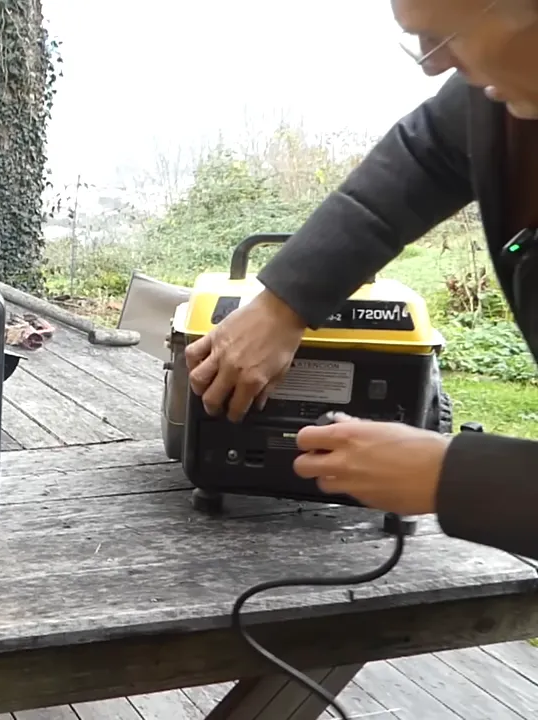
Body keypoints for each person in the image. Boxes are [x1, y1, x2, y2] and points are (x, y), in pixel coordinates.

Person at [183, 0, 538, 559]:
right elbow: (425, 155)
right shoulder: (502, 93)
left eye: (448, 35)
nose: (431, 65)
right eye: (417, 38)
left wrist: (451, 476)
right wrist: (285, 302)